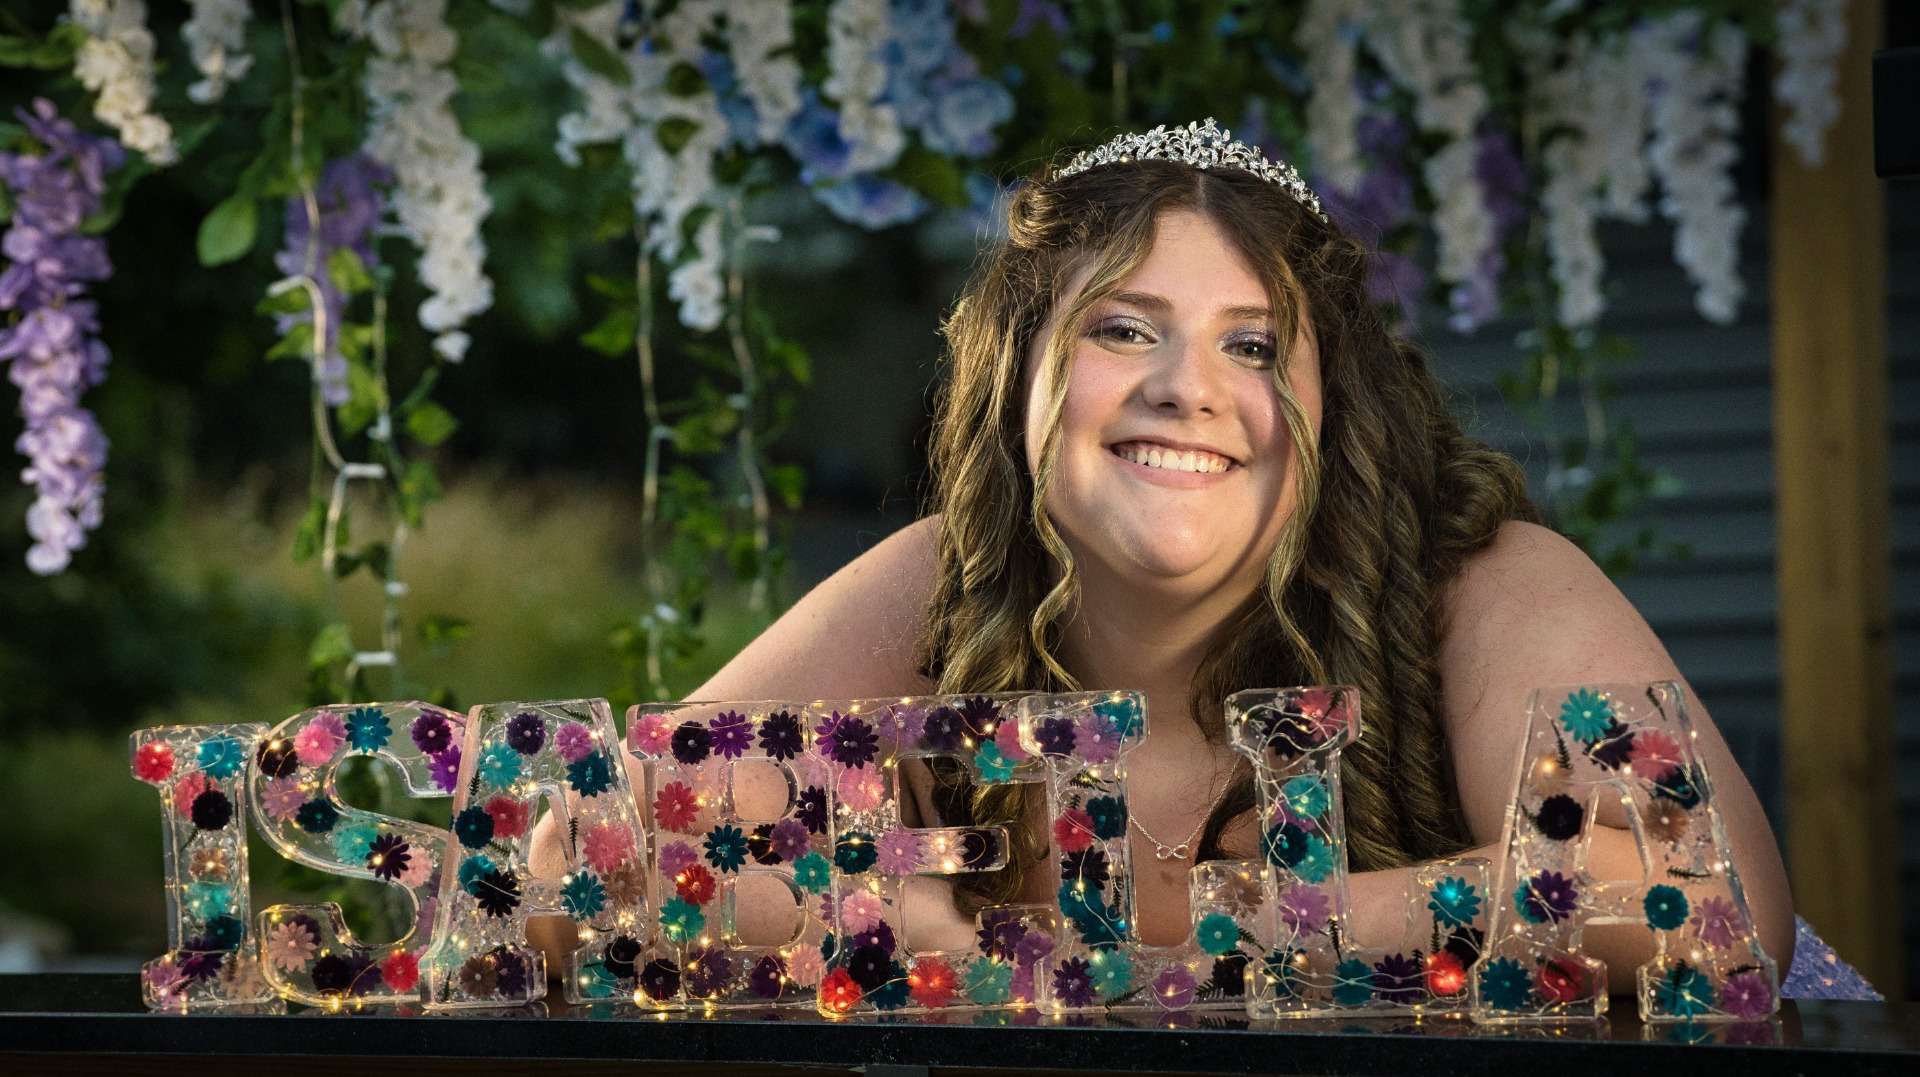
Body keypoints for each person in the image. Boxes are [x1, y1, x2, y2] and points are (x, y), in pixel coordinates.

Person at [531, 120, 1797, 990]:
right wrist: (910, 929)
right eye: (1124, 330)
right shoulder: (943, 578)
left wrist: (1228, 927)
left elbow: (1713, 903)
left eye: (1253, 346)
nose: (1188, 389)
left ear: (1331, 407)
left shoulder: (1481, 580)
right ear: (1018, 374)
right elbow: (572, 856)